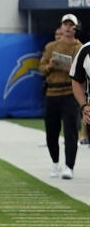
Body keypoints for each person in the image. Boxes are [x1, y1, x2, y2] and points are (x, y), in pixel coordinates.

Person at [41, 15, 82, 178]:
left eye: (71, 25)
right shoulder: (51, 47)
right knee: (51, 131)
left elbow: (85, 71)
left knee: (71, 131)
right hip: (52, 92)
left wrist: (73, 69)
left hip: (70, 93)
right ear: (61, 26)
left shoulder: (80, 48)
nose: (68, 27)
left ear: (76, 28)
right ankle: (55, 163)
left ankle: (69, 166)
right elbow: (41, 68)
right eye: (65, 24)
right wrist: (50, 65)